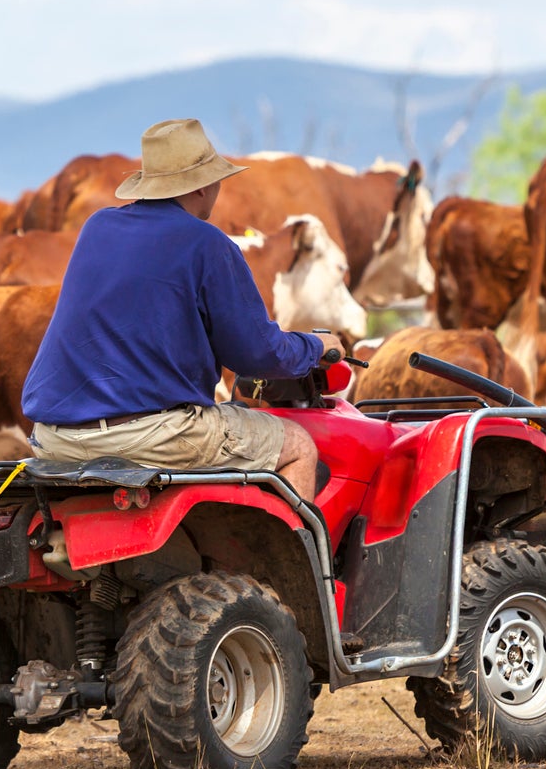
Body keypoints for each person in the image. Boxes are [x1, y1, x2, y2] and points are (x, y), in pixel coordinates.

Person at [22, 118, 341, 500]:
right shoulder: (207, 243)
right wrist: (316, 346)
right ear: (205, 186)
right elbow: (257, 354)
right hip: (148, 437)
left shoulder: (98, 226)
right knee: (298, 446)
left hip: (55, 437)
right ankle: (296, 559)